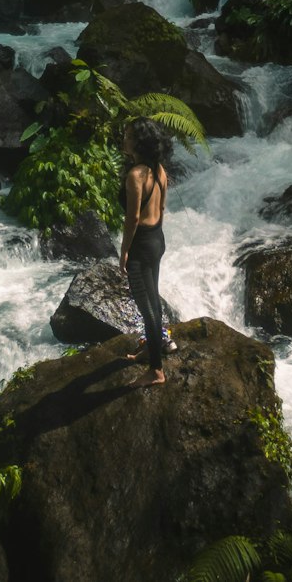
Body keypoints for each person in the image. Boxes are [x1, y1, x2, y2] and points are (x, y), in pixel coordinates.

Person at [119, 115, 173, 386]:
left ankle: (156, 371)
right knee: (153, 299)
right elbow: (161, 209)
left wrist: (124, 251)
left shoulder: (135, 175)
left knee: (148, 307)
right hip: (157, 239)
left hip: (141, 245)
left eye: (128, 135)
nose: (124, 139)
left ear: (138, 142)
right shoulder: (160, 170)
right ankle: (152, 348)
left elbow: (133, 219)